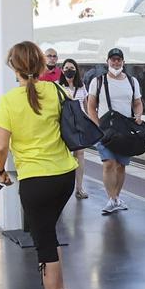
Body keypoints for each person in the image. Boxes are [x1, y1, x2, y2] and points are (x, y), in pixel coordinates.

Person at [0, 41, 79, 289]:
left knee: (43, 241)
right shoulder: (55, 90)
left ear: (14, 68)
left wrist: (0, 171)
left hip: (35, 181)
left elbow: (0, 148)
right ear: (42, 65)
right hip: (65, 175)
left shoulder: (9, 101)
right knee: (50, 234)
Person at [85, 47, 144, 215]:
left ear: (123, 62)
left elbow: (138, 102)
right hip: (106, 130)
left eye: (119, 60)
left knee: (121, 166)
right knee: (109, 163)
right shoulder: (98, 81)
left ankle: (116, 198)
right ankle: (111, 198)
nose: (116, 62)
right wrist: (97, 125)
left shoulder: (132, 81)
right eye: (113, 60)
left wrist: (138, 115)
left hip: (125, 130)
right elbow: (91, 105)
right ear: (107, 62)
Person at [57, 58, 90, 200]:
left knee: (80, 155)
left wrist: (89, 122)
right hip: (65, 125)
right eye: (66, 68)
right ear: (62, 70)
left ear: (76, 70)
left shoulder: (81, 87)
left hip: (80, 125)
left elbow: (86, 106)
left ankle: (79, 187)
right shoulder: (57, 86)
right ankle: (61, 188)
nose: (69, 70)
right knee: (63, 155)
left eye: (72, 68)